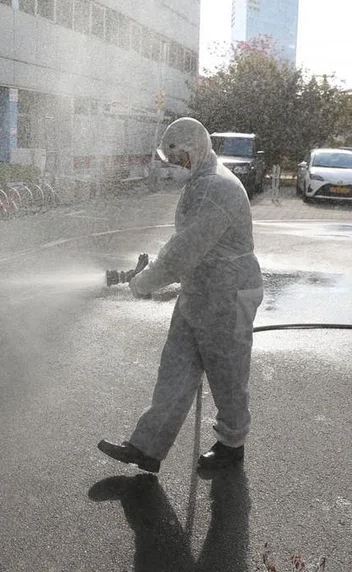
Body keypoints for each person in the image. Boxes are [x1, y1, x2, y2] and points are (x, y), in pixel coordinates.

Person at [98, 117, 264, 473]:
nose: (175, 167)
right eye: (171, 160)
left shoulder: (216, 187)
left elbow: (183, 252)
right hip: (200, 291)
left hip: (229, 294)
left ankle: (231, 446)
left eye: (180, 158)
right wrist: (153, 273)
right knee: (175, 371)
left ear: (197, 149)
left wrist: (144, 283)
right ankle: (147, 448)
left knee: (227, 373)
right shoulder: (201, 181)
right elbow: (183, 247)